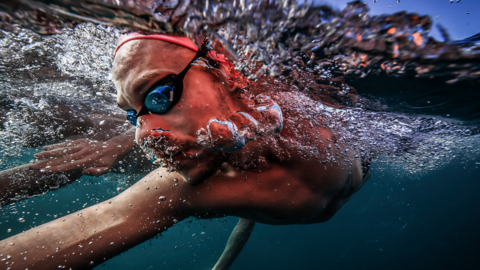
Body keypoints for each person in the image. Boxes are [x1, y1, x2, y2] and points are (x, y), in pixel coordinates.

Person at [0, 33, 369, 269]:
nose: (145, 135)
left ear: (229, 73)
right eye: (133, 115)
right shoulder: (190, 185)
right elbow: (101, 220)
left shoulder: (313, 109)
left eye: (160, 95)